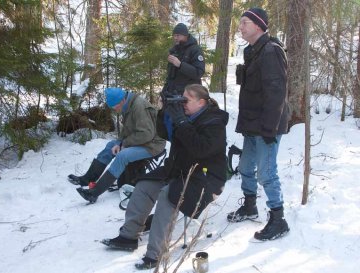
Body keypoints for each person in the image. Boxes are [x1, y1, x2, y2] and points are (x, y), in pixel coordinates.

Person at [101, 84, 229, 270]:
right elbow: (163, 133)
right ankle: (128, 236)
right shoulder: (186, 116)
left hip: (206, 178)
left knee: (169, 195)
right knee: (144, 185)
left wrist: (182, 122)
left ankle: (155, 254)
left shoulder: (214, 121)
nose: (182, 103)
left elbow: (201, 149)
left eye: (187, 100)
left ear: (201, 102)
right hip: (179, 169)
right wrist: (165, 111)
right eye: (181, 99)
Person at [227, 7, 290, 241]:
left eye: (244, 22)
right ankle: (250, 205)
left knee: (266, 172)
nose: (240, 27)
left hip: (266, 126)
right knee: (245, 167)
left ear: (258, 25)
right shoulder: (253, 51)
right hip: (252, 124)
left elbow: (277, 94)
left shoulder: (271, 51)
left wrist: (269, 129)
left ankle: (278, 218)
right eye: (241, 22)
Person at [68, 87, 166, 203]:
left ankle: (94, 193)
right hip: (141, 141)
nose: (115, 110)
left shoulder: (139, 106)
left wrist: (123, 144)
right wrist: (119, 142)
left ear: (121, 101)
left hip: (152, 145)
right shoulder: (128, 104)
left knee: (122, 156)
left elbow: (146, 134)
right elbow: (128, 129)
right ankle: (88, 179)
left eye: (115, 107)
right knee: (110, 146)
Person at [162, 23, 205, 98]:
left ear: (186, 35)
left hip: (189, 97)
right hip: (172, 96)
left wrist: (180, 65)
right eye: (174, 35)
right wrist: (162, 95)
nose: (175, 38)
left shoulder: (195, 50)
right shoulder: (174, 51)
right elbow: (170, 77)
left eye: (178, 35)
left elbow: (199, 73)